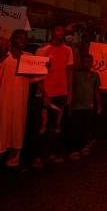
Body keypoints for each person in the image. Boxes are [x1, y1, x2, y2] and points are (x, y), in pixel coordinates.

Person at [0, 29, 41, 179]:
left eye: (24, 38)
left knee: (16, 132)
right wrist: (0, 57)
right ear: (13, 39)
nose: (22, 40)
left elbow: (36, 76)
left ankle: (12, 163)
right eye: (18, 38)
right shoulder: (3, 56)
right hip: (1, 102)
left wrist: (46, 67)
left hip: (19, 103)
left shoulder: (28, 57)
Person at [34, 24, 74, 165]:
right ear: (52, 32)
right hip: (47, 94)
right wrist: (44, 93)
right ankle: (38, 156)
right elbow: (37, 75)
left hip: (61, 93)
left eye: (62, 31)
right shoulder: (42, 50)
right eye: (58, 30)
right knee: (42, 126)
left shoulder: (68, 50)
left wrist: (69, 92)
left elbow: (69, 72)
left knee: (56, 126)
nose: (60, 33)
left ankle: (50, 153)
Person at [69, 54, 101, 160]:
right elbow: (71, 89)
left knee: (86, 127)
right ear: (82, 63)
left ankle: (83, 146)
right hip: (77, 106)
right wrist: (70, 104)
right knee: (76, 128)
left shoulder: (95, 75)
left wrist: (99, 105)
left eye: (90, 61)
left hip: (89, 105)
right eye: (86, 61)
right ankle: (74, 149)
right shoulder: (76, 75)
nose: (88, 63)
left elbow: (96, 91)